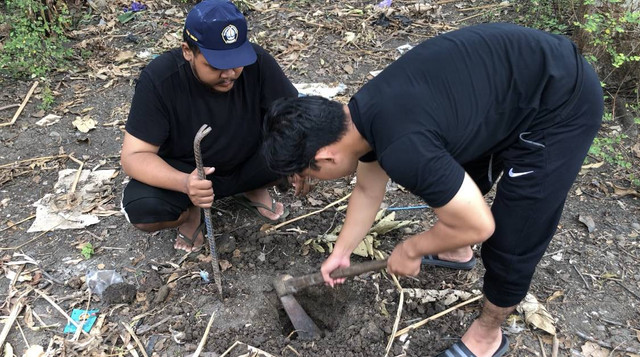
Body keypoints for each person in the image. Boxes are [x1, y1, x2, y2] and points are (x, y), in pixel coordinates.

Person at [262, 23, 603, 356]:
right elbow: (367, 190)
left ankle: (487, 336)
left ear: (325, 156)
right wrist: (342, 251)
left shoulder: (403, 146)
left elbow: (480, 224)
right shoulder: (360, 117)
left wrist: (412, 249)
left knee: (513, 235)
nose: (310, 181)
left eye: (308, 174)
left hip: (560, 101)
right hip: (511, 88)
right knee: (458, 175)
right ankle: (456, 251)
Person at [120, 0, 307, 253]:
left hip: (250, 161)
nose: (229, 73)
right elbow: (134, 156)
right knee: (145, 209)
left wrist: (302, 157)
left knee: (305, 150)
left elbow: (294, 117)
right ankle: (191, 211)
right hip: (188, 171)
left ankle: (253, 187)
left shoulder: (258, 62)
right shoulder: (160, 79)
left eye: (236, 61)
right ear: (188, 51)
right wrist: (186, 183)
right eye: (216, 65)